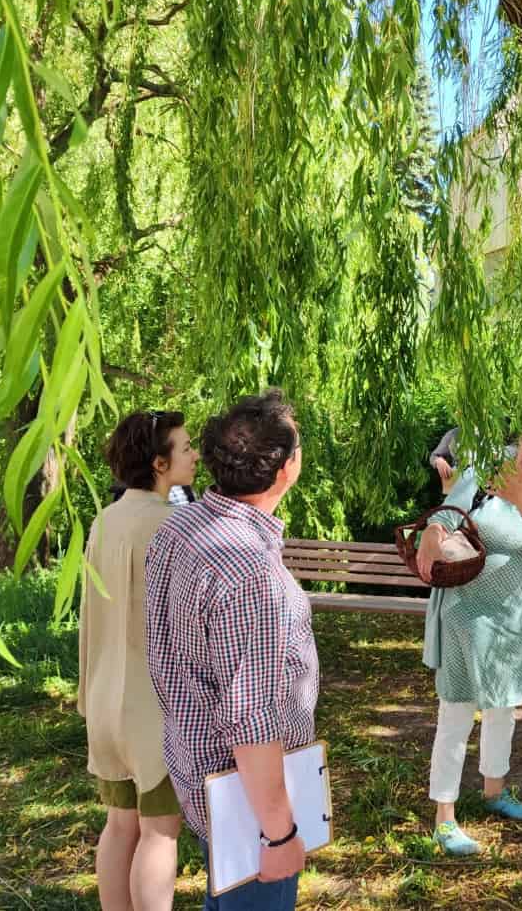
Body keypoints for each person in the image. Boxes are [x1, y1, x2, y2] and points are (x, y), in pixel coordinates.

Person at [145, 389, 318, 910]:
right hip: (245, 803)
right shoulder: (251, 573)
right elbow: (250, 717)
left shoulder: (181, 526)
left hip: (198, 771)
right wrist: (279, 834)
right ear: (286, 468)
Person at [416, 420, 522, 856]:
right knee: (457, 711)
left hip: (511, 621)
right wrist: (431, 533)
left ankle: (494, 791)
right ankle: (445, 816)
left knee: (502, 709)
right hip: (464, 614)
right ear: (518, 444)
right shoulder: (481, 474)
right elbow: (447, 514)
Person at [80, 410, 197, 911]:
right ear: (159, 463)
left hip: (106, 698)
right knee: (160, 833)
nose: (194, 455)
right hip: (155, 705)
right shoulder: (176, 525)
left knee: (119, 824)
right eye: (186, 447)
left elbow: (89, 616)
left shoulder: (102, 522)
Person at [430, 427, 460, 495]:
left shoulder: (488, 432)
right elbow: (433, 456)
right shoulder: (454, 434)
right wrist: (438, 460)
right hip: (460, 489)